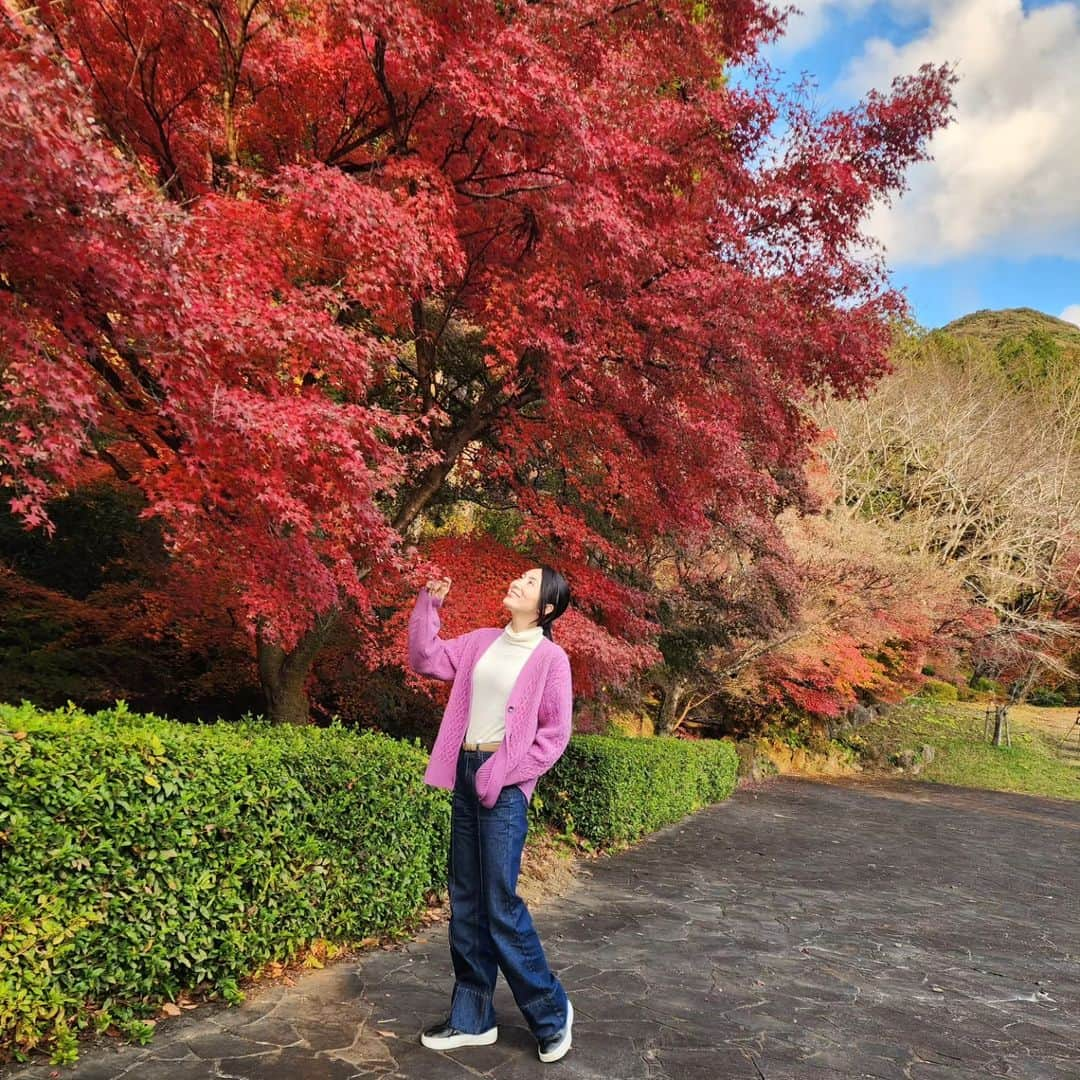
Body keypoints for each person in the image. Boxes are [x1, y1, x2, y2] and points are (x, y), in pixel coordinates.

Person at [407, 565, 575, 1063]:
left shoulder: (551, 658)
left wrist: (503, 773)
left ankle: (550, 1012)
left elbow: (554, 735)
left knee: (499, 904)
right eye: (519, 577)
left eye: (530, 583)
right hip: (465, 770)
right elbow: (425, 658)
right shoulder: (482, 642)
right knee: (466, 899)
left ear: (545, 607)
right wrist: (429, 605)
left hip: (504, 784)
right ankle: (472, 1015)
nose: (518, 583)